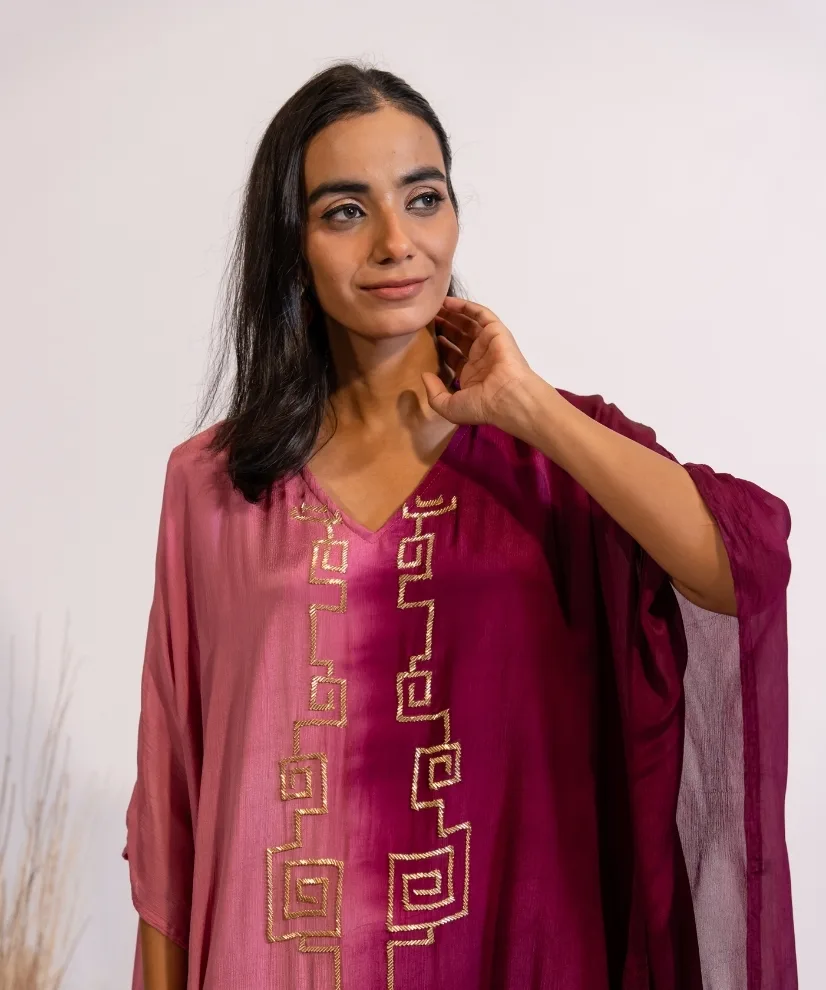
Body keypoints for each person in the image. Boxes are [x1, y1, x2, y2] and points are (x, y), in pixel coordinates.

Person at [123, 61, 797, 990]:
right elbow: (171, 807)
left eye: (423, 198)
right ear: (292, 244)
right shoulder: (213, 485)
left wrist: (529, 407)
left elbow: (740, 568)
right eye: (345, 211)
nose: (396, 242)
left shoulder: (552, 460)